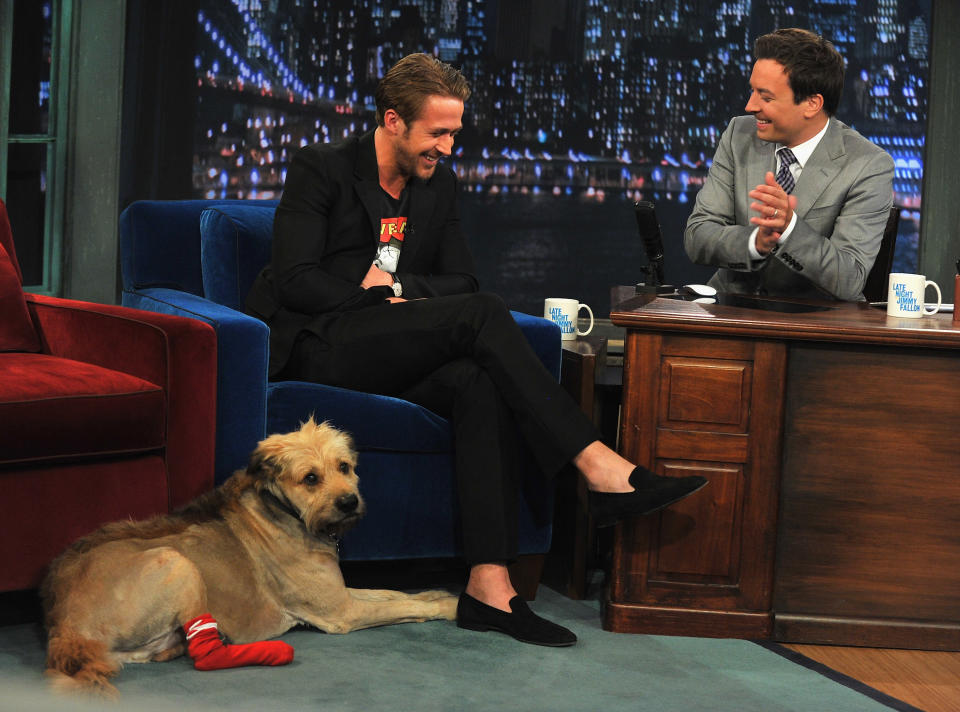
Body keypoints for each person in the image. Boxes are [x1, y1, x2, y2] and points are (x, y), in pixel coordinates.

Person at [246, 53, 706, 647]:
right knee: (485, 316)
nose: (448, 147)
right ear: (392, 122)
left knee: (477, 381)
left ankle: (490, 586)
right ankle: (598, 467)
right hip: (321, 342)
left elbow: (461, 280)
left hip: (390, 336)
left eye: (455, 133)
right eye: (437, 133)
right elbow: (295, 279)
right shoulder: (323, 169)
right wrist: (373, 300)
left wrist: (399, 291)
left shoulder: (440, 187)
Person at [684, 28, 895, 301]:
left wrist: (790, 229)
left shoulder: (867, 165)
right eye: (752, 91)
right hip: (732, 312)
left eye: (766, 97)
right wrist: (754, 243)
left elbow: (849, 278)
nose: (750, 105)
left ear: (811, 104)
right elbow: (698, 236)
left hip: (813, 327)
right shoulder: (739, 135)